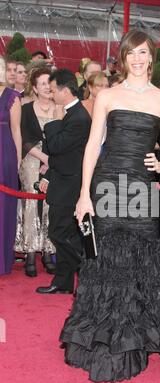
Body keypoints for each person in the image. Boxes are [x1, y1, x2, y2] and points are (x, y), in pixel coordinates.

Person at [60, 30, 160, 383]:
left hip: (141, 188)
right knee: (106, 258)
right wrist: (84, 194)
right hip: (107, 184)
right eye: (131, 54)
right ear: (123, 58)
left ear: (151, 57)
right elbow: (93, 145)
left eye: (143, 53)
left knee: (142, 259)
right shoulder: (108, 95)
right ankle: (109, 334)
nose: (138, 59)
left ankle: (143, 329)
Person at [36, 69, 92, 294]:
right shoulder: (72, 114)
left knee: (60, 234)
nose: (51, 94)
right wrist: (48, 176)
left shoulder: (78, 117)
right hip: (62, 181)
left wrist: (55, 121)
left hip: (71, 186)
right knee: (63, 233)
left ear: (65, 90)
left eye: (53, 90)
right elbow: (54, 151)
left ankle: (88, 271)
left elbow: (56, 146)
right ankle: (63, 282)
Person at [15, 68, 56, 277]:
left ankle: (48, 252)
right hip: (31, 158)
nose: (47, 87)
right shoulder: (27, 108)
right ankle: (30, 252)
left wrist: (51, 161)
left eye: (50, 83)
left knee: (51, 203)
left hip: (54, 162)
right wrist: (43, 158)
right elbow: (23, 137)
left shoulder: (60, 109)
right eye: (42, 84)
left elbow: (62, 139)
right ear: (35, 88)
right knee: (31, 202)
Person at [0, 57, 22, 275]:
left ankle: (2, 259)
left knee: (4, 207)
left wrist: (17, 162)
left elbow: (17, 132)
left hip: (4, 154)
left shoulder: (12, 97)